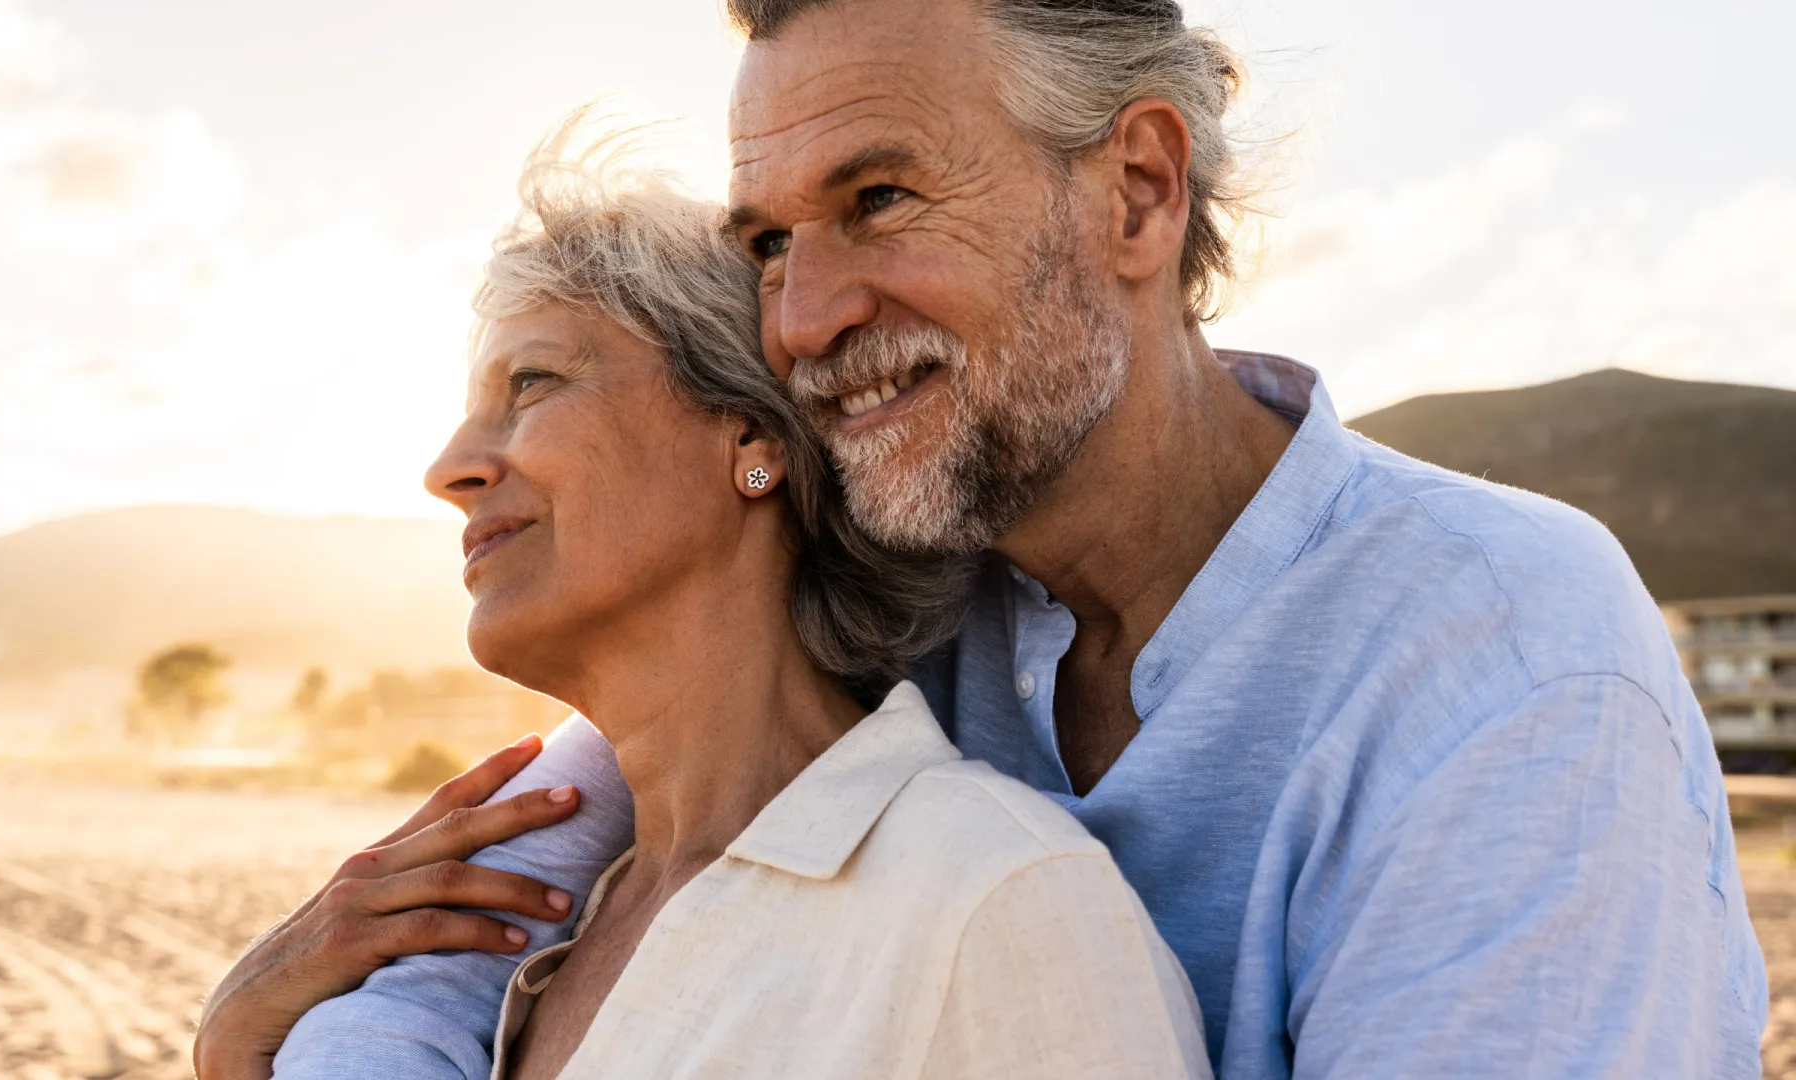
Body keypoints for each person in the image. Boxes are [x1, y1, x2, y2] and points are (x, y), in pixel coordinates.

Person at [218, 0, 1768, 1076]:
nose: (804, 318)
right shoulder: (887, 592)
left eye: (882, 198)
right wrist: (251, 1034)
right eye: (769, 241)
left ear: (1140, 193)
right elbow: (460, 929)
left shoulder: (1508, 666)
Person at [194, 133, 1211, 1079]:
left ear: (752, 439)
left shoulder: (992, 904)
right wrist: (238, 1051)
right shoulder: (553, 934)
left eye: (532, 384)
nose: (448, 470)